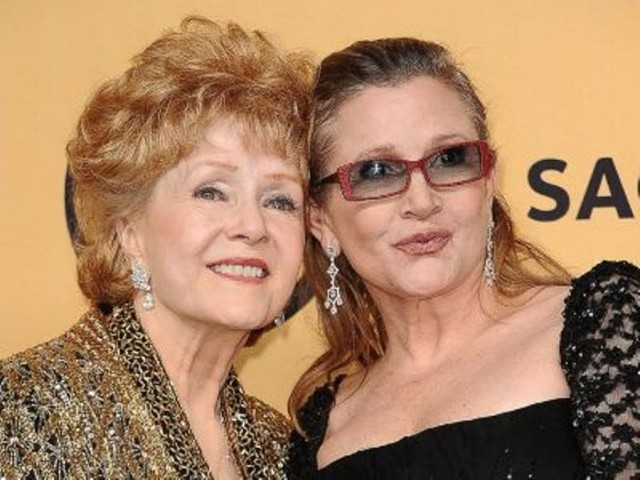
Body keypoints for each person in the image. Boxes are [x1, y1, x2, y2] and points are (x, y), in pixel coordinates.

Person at [287, 37, 639, 479]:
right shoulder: (320, 427)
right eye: (376, 171)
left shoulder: (605, 324)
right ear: (321, 220)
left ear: (488, 182)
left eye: (450, 159)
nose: (422, 201)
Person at [0, 16, 312, 479]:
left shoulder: (280, 448)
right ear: (130, 233)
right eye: (212, 191)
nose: (253, 226)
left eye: (279, 200)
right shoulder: (22, 412)